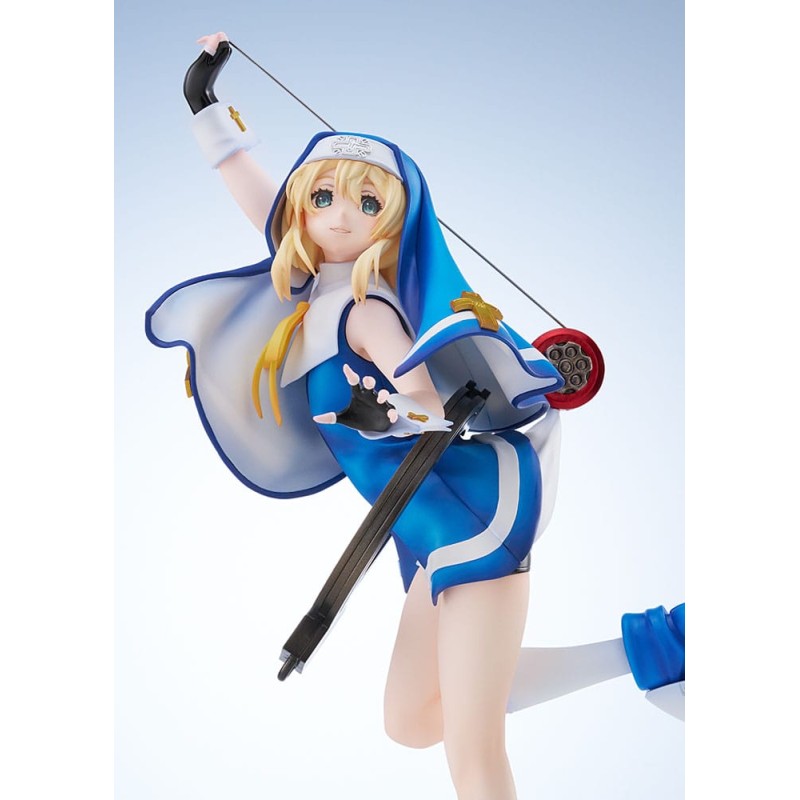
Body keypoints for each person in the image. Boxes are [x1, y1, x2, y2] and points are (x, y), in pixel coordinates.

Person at [147, 32, 567, 800]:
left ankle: (663, 652)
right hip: (428, 528)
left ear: (394, 221)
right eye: (324, 198)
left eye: (367, 203)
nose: (341, 217)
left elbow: (432, 400)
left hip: (470, 516)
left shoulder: (367, 310)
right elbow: (255, 194)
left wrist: (391, 410)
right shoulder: (317, 291)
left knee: (473, 751)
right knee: (413, 718)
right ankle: (654, 651)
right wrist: (203, 103)